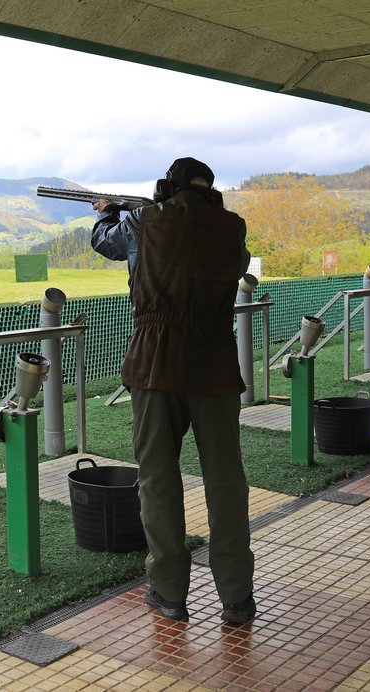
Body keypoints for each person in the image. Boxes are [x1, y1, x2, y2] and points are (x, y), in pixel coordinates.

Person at [90, 157, 255, 625]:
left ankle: (169, 593)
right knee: (226, 482)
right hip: (215, 364)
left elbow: (107, 243)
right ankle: (237, 598)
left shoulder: (143, 220)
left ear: (167, 186)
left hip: (154, 364)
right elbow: (237, 262)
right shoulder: (233, 226)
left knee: (158, 481)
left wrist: (106, 211)